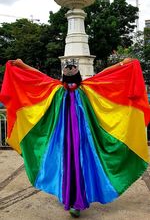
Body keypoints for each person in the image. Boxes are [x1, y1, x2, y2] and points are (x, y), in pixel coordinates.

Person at [0, 57, 149, 218]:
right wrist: (122, 64)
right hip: (81, 141)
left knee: (67, 167)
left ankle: (71, 200)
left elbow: (39, 76)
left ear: (63, 79)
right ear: (79, 79)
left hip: (65, 142)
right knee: (79, 167)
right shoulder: (86, 90)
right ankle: (75, 201)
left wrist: (23, 65)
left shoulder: (57, 90)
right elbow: (105, 74)